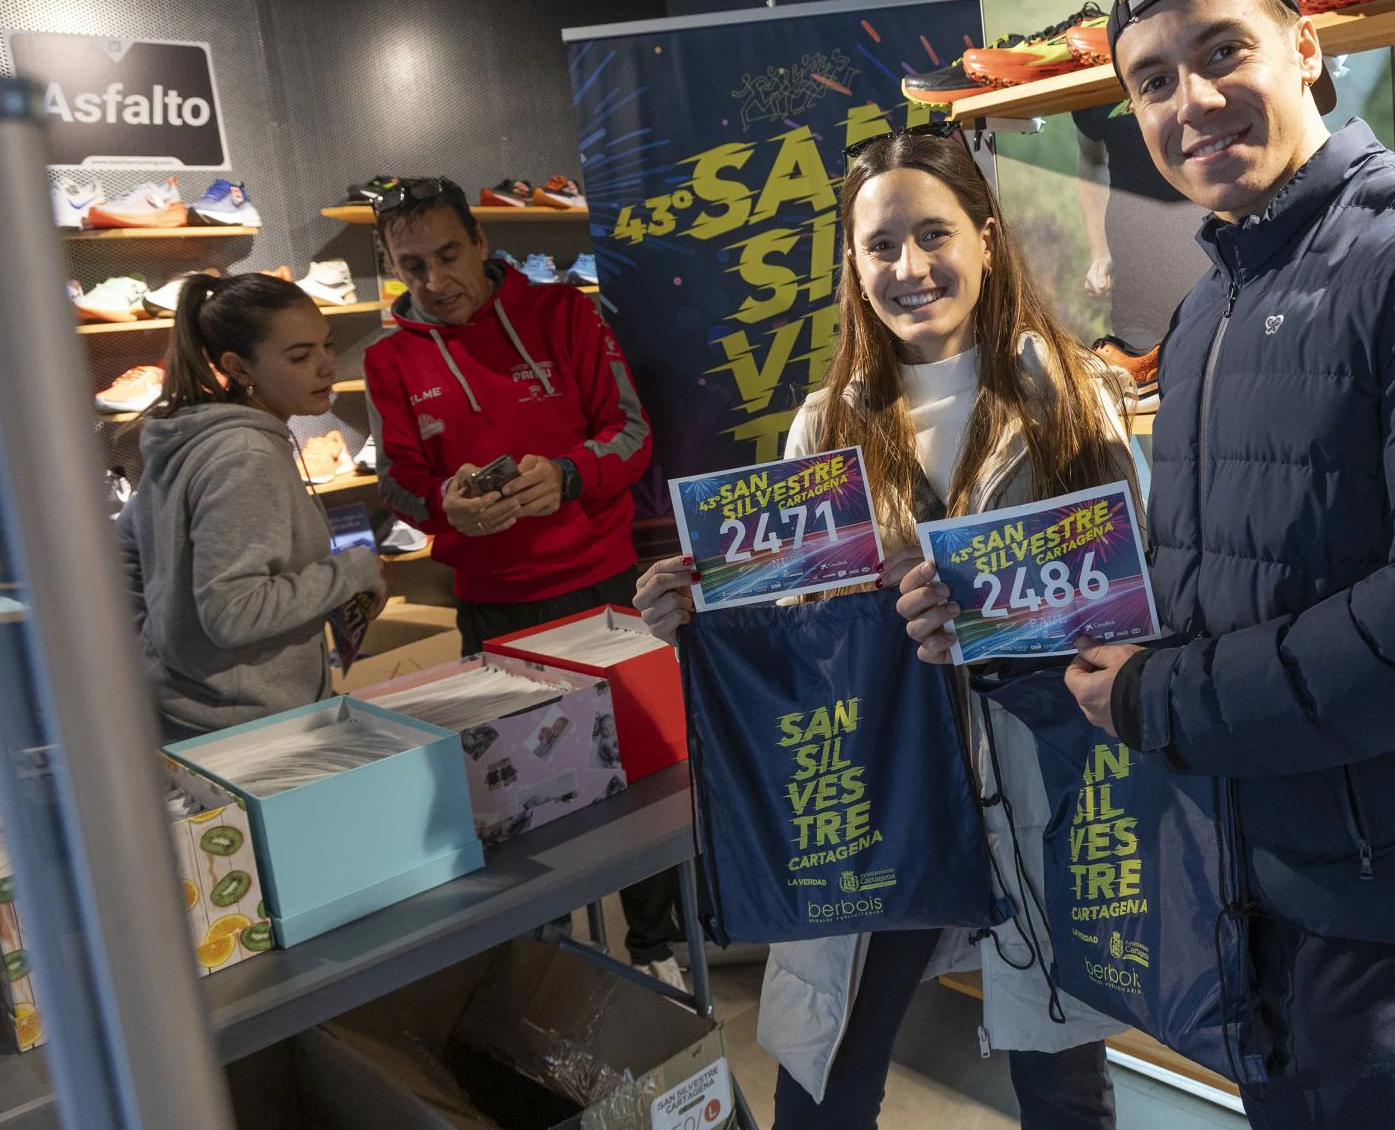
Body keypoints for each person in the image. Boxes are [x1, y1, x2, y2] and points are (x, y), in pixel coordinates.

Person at [906, 0, 1395, 1128]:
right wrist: (1003, 628)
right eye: (1153, 80)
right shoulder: (1212, 309)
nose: (1192, 100)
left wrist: (1159, 699)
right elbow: (1196, 608)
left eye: (1221, 50)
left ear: (1306, 48)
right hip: (1264, 885)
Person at [635, 127, 1137, 1129]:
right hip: (881, 794)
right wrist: (702, 610)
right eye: (879, 245)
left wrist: (979, 609)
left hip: (1041, 785)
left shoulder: (1080, 398)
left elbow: (1128, 610)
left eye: (933, 234)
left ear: (988, 240)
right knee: (825, 1089)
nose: (909, 268)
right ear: (851, 263)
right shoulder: (823, 428)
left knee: (1063, 1085)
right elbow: (797, 638)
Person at [361, 177, 685, 986]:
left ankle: (655, 948)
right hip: (493, 603)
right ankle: (544, 961)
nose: (434, 282)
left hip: (600, 586)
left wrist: (569, 476)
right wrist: (447, 506)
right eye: (411, 265)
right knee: (513, 799)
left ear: (479, 243)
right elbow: (398, 482)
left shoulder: (566, 313)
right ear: (389, 265)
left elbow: (631, 434)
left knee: (641, 779)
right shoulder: (387, 359)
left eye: (446, 256)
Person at [120, 272, 386, 738]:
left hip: (191, 709)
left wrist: (160, 645)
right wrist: (353, 573)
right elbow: (234, 613)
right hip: (245, 724)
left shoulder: (192, 436)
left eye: (326, 345)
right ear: (239, 368)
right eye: (300, 355)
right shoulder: (244, 457)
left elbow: (122, 548)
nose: (327, 365)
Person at [1074, 0, 1210, 353]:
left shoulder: (1235, 29)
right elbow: (1090, 161)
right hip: (1143, 292)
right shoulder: (1092, 56)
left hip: (1238, 269)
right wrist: (1099, 250)